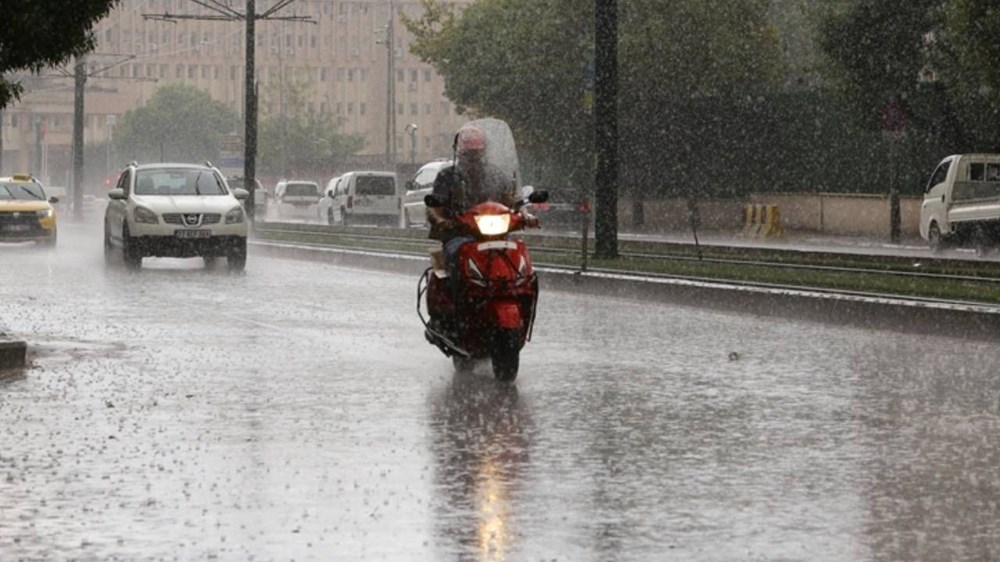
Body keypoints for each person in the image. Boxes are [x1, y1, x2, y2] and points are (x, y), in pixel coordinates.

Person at [426, 125, 538, 280]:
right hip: (461, 233)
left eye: (477, 153)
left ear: (484, 152)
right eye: (469, 153)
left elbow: (512, 200)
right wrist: (442, 221)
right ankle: (458, 298)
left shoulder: (496, 176)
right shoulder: (447, 177)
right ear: (459, 152)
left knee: (519, 255)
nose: (473, 157)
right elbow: (435, 205)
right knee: (455, 253)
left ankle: (522, 289)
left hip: (498, 236)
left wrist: (525, 215)